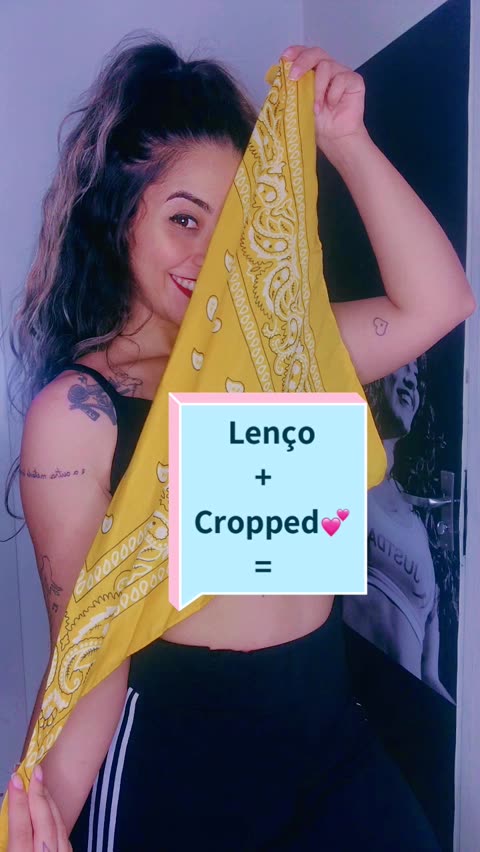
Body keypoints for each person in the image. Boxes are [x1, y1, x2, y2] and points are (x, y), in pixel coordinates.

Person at [5, 33, 475, 851]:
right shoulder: (81, 413)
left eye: (230, 226)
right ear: (120, 215)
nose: (207, 254)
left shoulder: (282, 360)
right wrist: (39, 817)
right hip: (183, 759)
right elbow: (90, 656)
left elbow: (439, 303)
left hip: (327, 732)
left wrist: (347, 143)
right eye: (183, 218)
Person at [343, 358, 455, 702]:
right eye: (404, 367)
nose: (411, 382)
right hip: (351, 696)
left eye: (417, 378)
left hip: (406, 714)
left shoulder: (419, 530)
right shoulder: (345, 477)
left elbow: (429, 675)